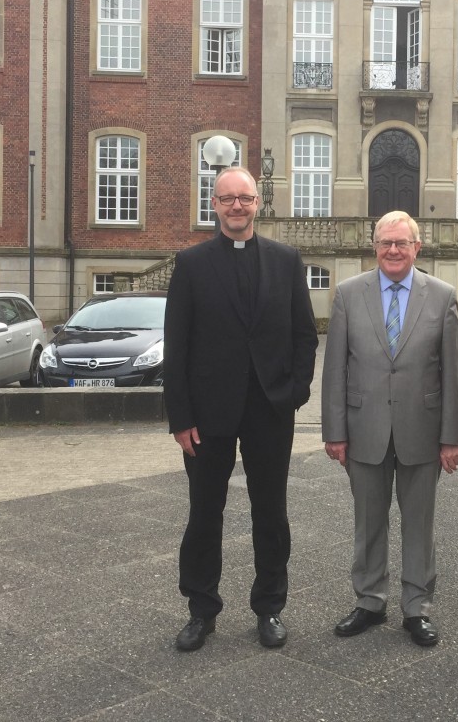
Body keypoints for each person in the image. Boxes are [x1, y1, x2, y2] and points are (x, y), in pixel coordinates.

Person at [163, 165, 318, 652]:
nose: (236, 206)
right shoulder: (190, 264)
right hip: (207, 415)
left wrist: (294, 392)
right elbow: (177, 345)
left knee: (270, 512)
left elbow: (304, 336)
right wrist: (181, 418)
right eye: (227, 198)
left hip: (270, 408)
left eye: (245, 198)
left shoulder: (286, 260)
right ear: (214, 204)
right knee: (205, 513)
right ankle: (201, 609)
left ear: (258, 203)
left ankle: (270, 606)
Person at [322, 211, 458, 648]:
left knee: (419, 524)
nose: (394, 250)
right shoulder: (348, 294)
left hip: (422, 430)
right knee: (368, 522)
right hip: (364, 428)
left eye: (402, 243)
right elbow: (335, 370)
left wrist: (452, 438)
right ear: (374, 247)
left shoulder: (442, 296)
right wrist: (335, 431)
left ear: (417, 248)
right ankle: (369, 600)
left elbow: (454, 375)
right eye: (385, 243)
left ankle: (416, 607)